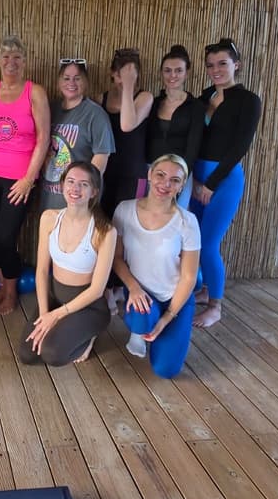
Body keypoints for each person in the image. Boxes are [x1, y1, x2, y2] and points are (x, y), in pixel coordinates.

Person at [0, 36, 50, 316]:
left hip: (19, 181)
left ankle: (10, 293)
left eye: (17, 57)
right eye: (5, 57)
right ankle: (3, 287)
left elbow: (43, 138)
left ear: (25, 62)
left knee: (6, 238)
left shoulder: (34, 92)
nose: (11, 62)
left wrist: (29, 178)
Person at [191, 38, 262, 329]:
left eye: (222, 63)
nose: (216, 69)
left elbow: (240, 147)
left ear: (237, 65)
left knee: (208, 244)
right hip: (195, 177)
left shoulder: (248, 101)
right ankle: (205, 287)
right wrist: (194, 179)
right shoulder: (205, 95)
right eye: (210, 65)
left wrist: (210, 183)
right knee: (193, 241)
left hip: (223, 179)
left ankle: (215, 306)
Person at [20, 162, 118, 366]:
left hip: (88, 306)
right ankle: (65, 328)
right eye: (71, 182)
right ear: (62, 185)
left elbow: (97, 290)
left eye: (84, 184)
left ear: (94, 192)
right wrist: (46, 314)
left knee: (52, 355)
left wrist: (56, 316)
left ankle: (90, 335)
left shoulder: (105, 231)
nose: (75, 189)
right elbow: (41, 271)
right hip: (55, 298)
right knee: (28, 355)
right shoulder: (49, 218)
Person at [112, 155, 201, 379]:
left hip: (175, 298)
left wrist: (168, 316)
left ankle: (159, 329)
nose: (165, 184)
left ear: (181, 186)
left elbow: (189, 277)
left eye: (175, 180)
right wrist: (133, 287)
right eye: (160, 175)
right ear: (150, 175)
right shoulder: (124, 210)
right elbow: (117, 258)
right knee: (142, 317)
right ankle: (140, 331)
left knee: (166, 370)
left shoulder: (187, 221)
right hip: (141, 295)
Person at [41, 58, 114, 211]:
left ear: (85, 81)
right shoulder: (50, 109)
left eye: (77, 78)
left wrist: (83, 189)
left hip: (79, 200)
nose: (71, 83)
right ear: (59, 81)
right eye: (66, 78)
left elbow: (101, 156)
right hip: (50, 194)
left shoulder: (95, 114)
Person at [146, 45, 205, 208]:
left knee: (174, 220)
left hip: (178, 173)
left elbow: (194, 146)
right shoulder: (153, 103)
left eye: (178, 70)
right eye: (167, 70)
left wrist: (181, 179)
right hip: (150, 171)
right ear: (161, 73)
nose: (173, 75)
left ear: (187, 73)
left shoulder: (196, 107)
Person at [100, 48, 153, 218]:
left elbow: (127, 125)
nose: (123, 80)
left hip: (133, 175)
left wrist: (129, 86)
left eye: (130, 75)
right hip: (107, 174)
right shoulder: (101, 98)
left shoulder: (144, 97)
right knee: (105, 225)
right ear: (112, 74)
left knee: (128, 227)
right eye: (120, 75)